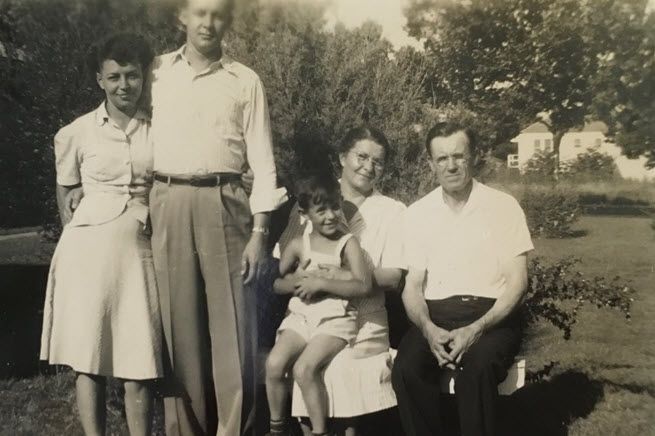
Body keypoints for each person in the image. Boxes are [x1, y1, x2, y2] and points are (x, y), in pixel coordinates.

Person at [147, 0, 285, 435]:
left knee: (235, 333)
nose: (208, 23)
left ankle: (234, 429)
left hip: (226, 204)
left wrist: (260, 234)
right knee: (178, 329)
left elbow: (263, 163)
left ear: (227, 22)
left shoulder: (245, 80)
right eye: (199, 12)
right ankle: (186, 429)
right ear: (182, 17)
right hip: (167, 198)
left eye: (217, 15)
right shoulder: (155, 73)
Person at [39, 33, 159, 436]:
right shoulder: (77, 132)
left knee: (138, 361)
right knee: (88, 356)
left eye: (132, 76)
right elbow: (65, 187)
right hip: (87, 253)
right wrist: (73, 226)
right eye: (114, 77)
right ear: (99, 80)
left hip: (140, 253)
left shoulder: (158, 129)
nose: (124, 85)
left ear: (144, 78)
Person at [391, 121, 534, 436]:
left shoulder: (502, 207)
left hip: (492, 316)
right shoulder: (417, 214)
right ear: (431, 164)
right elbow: (412, 287)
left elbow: (518, 283)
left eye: (459, 156)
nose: (451, 165)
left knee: (478, 369)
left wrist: (476, 328)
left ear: (474, 157)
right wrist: (428, 330)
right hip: (436, 315)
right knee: (406, 369)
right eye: (442, 159)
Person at [275, 126, 406, 436]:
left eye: (378, 161)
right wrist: (307, 282)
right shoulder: (311, 198)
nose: (368, 167)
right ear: (342, 157)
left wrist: (337, 277)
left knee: (336, 370)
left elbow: (394, 277)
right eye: (361, 156)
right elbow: (283, 265)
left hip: (364, 319)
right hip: (308, 315)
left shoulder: (392, 211)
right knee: (297, 365)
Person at [266, 172, 372, 436]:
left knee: (304, 368)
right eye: (321, 210)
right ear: (305, 214)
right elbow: (274, 284)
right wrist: (297, 282)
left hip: (334, 320)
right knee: (274, 364)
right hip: (301, 317)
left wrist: (322, 284)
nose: (330, 216)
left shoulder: (348, 244)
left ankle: (319, 431)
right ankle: (277, 429)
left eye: (335, 207)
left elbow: (363, 285)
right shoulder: (297, 245)